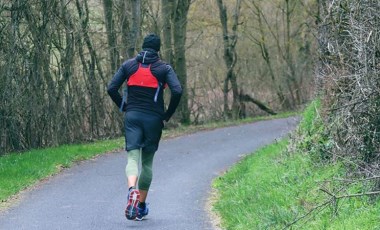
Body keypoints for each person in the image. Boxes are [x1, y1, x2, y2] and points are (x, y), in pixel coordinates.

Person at [107, 33, 182, 221]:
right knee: (147, 162)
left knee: (132, 157)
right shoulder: (164, 68)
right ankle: (140, 206)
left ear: (142, 47)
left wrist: (124, 106)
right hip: (153, 120)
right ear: (158, 49)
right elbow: (177, 90)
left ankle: (131, 189)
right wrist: (167, 115)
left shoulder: (129, 65)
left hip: (132, 116)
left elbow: (111, 88)